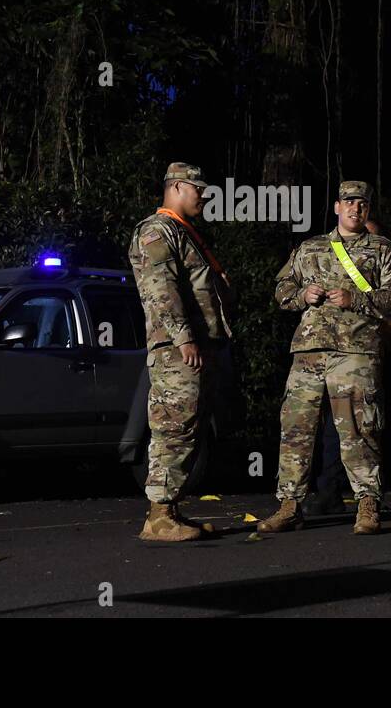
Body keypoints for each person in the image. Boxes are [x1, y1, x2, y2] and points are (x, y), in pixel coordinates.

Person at [257, 181, 391, 535]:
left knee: (359, 428)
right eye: (349, 202)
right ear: (337, 207)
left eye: (362, 204)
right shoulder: (309, 248)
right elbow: (281, 289)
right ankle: (289, 505)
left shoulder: (382, 250)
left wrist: (356, 299)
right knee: (296, 427)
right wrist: (300, 295)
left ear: (368, 210)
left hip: (356, 350)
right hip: (309, 350)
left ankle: (368, 504)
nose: (355, 208)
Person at [304, 214, 391, 516]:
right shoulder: (335, 265)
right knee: (335, 424)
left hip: (377, 355)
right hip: (341, 354)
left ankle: (370, 494)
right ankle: (329, 490)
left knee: (369, 424)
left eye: (370, 235)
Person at [127, 162, 233, 542]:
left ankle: (168, 510)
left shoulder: (180, 232)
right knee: (174, 427)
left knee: (187, 428)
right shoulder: (157, 230)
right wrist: (184, 338)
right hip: (176, 351)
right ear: (175, 187)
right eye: (197, 189)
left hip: (192, 347)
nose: (203, 195)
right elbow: (161, 290)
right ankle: (158, 517)